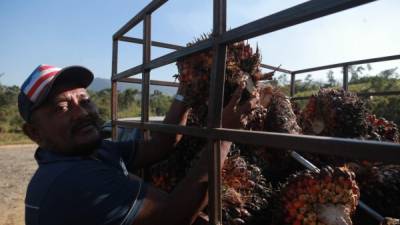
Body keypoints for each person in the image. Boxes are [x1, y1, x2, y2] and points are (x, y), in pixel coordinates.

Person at [19, 64, 258, 225]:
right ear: (34, 133)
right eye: (62, 108)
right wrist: (224, 135)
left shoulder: (95, 152)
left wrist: (185, 92)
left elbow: (162, 144)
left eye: (85, 100)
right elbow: (174, 218)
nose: (81, 113)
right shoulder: (72, 181)